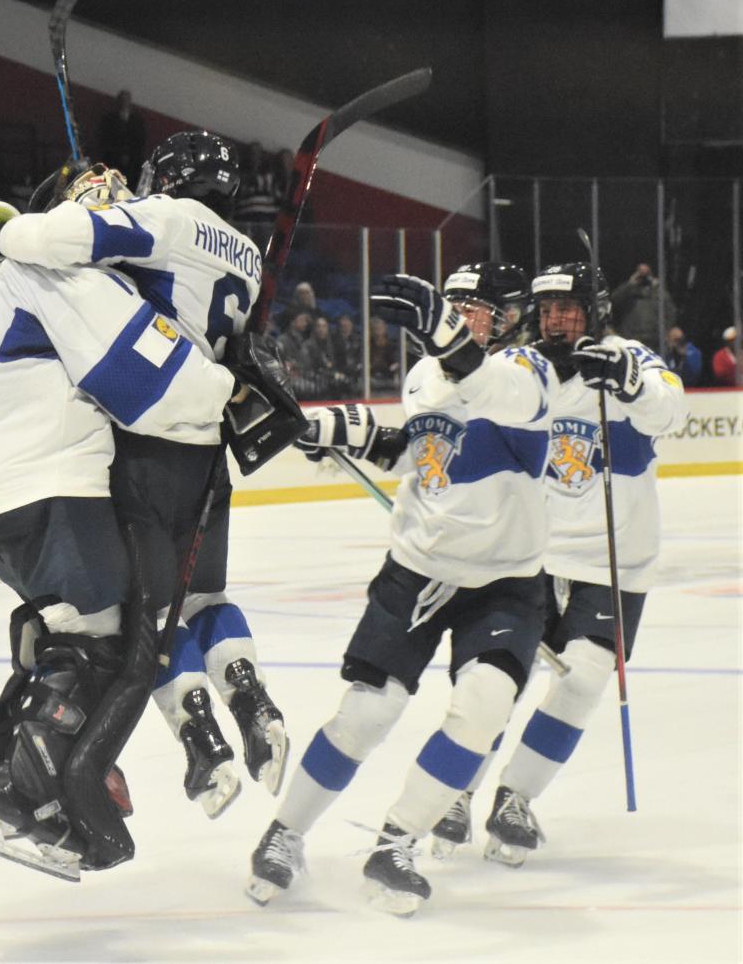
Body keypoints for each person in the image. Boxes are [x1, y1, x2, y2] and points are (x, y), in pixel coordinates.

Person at [0, 168, 296, 880]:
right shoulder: (55, 274)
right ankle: (22, 806)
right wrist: (237, 384)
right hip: (46, 485)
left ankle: (16, 782)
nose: (111, 204)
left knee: (72, 632)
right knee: (104, 646)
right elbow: (152, 382)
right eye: (93, 195)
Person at [247, 263, 558, 915]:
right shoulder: (424, 374)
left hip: (504, 584)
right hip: (416, 569)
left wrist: (448, 334)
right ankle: (283, 835)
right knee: (366, 713)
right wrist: (351, 435)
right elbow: (426, 452)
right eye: (457, 306)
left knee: (483, 710)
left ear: (509, 319)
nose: (464, 316)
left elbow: (493, 391)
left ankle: (395, 845)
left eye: (478, 308)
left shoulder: (530, 372)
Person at [430, 262, 688, 868]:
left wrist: (627, 384)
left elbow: (668, 410)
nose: (556, 319)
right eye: (547, 310)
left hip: (613, 563)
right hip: (531, 555)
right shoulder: (525, 365)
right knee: (496, 681)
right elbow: (476, 393)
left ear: (597, 310)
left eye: (569, 309)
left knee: (582, 679)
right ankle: (456, 794)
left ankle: (516, 797)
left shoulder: (632, 359)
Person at [609, 262, 675, 352]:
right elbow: (613, 300)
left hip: (653, 341)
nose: (643, 278)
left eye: (646, 274)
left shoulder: (657, 293)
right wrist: (630, 284)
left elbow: (670, 311)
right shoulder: (628, 291)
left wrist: (657, 286)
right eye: (641, 273)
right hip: (631, 339)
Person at [94, 89, 145, 190]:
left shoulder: (137, 121)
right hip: (112, 159)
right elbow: (105, 139)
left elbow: (139, 142)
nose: (125, 103)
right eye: (122, 100)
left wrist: (129, 155)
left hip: (131, 164)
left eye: (127, 100)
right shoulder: (109, 119)